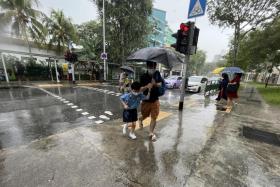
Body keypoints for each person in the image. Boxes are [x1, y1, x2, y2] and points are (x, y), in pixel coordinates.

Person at [139, 61, 164, 141]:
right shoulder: (143, 76)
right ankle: (140, 119)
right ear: (147, 67)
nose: (152, 69)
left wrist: (155, 84)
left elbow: (160, 84)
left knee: (154, 117)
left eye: (153, 67)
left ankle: (151, 133)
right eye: (150, 67)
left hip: (155, 100)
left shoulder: (157, 73)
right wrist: (147, 86)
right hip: (146, 100)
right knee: (145, 115)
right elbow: (140, 89)